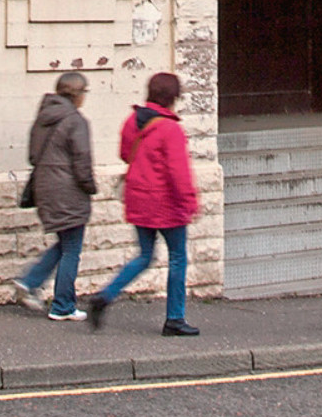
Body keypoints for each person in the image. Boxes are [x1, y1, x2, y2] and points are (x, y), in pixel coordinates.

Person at [87, 70, 200, 336]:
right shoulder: (170, 129)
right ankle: (174, 318)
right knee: (177, 258)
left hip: (138, 199)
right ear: (173, 97)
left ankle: (105, 296)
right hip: (167, 205)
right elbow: (178, 172)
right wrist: (190, 202)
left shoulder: (132, 121)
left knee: (145, 256)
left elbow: (126, 153)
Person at [11, 71, 96, 320]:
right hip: (69, 192)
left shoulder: (44, 118)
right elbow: (82, 161)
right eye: (84, 92)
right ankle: (63, 306)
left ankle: (30, 281)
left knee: (65, 244)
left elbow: (33, 156)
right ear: (77, 94)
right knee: (72, 249)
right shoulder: (76, 121)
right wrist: (90, 186)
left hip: (45, 189)